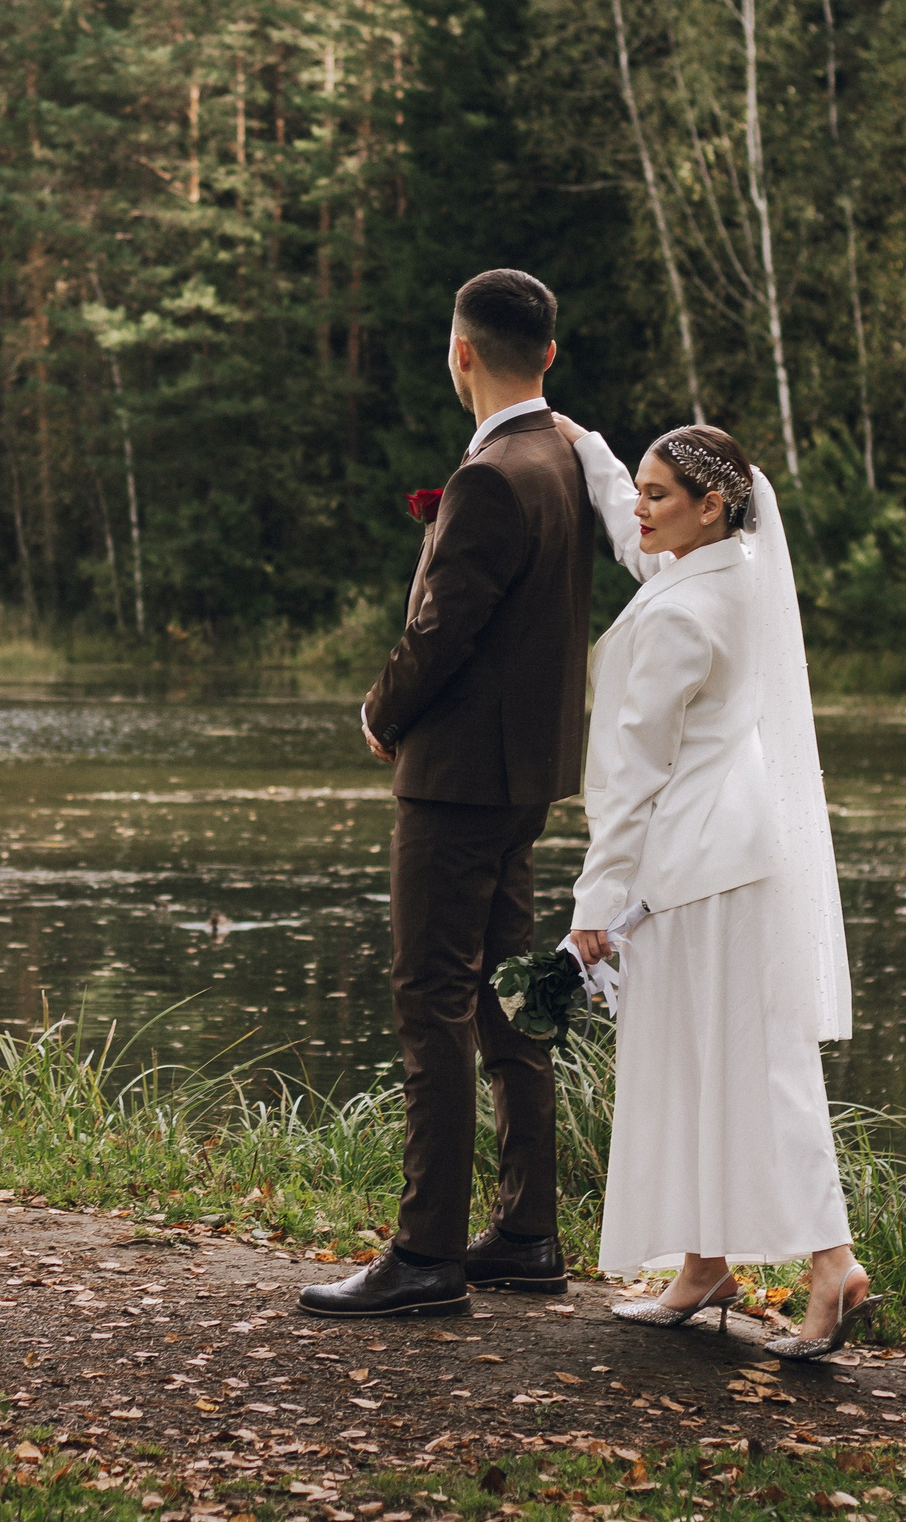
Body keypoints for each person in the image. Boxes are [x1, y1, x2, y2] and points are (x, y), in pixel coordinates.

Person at [552, 415, 880, 1361]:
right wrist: (595, 455)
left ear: (713, 504)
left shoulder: (680, 613)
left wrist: (590, 911)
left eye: (662, 496)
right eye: (643, 492)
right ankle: (704, 1263)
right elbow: (639, 539)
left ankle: (832, 1262)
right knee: (709, 1059)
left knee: (752, 1066)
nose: (643, 512)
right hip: (738, 858)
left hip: (692, 871)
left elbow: (627, 781)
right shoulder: (734, 574)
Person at [299, 269, 593, 1319]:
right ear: (545, 355)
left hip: (458, 782)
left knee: (430, 1002)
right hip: (528, 782)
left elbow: (440, 632)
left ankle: (425, 1253)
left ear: (459, 352)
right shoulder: (562, 455)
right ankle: (527, 1230)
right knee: (514, 1002)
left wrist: (381, 713)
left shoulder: (491, 476)